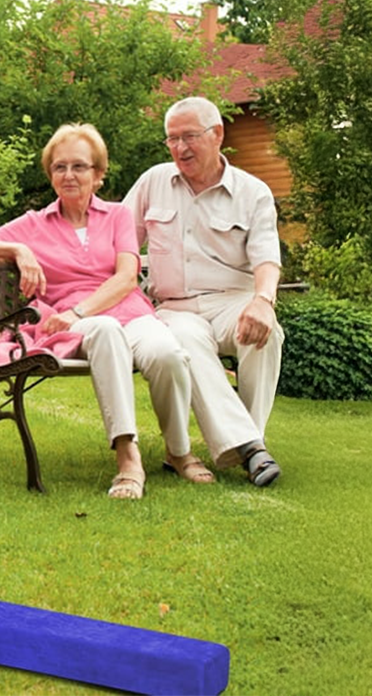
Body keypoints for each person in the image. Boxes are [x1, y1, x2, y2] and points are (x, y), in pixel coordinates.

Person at [0, 123, 201, 500]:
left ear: (98, 175)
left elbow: (126, 277)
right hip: (84, 327)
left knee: (167, 354)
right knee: (103, 330)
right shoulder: (35, 223)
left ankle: (178, 450)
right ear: (50, 174)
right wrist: (19, 251)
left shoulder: (118, 215)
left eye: (79, 166)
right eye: (59, 167)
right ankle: (127, 457)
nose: (68, 175)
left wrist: (78, 310)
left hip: (127, 312)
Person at [123, 96, 282, 487]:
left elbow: (266, 258)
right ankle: (252, 452)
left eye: (189, 136)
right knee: (184, 341)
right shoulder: (153, 182)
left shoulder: (253, 192)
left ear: (217, 135)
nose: (180, 148)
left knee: (267, 334)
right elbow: (119, 240)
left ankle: (247, 441)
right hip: (176, 307)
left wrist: (263, 302)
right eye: (172, 139)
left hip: (234, 300)